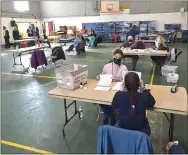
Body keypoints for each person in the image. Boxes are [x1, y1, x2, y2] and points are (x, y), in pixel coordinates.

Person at [98, 49, 128, 124]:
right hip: (106, 88)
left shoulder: (124, 68)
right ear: (113, 56)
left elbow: (125, 81)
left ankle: (108, 117)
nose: (117, 59)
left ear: (122, 58)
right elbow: (103, 76)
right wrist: (99, 77)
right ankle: (110, 116)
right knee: (101, 101)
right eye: (116, 57)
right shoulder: (106, 66)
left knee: (115, 102)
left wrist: (118, 79)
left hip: (118, 90)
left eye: (119, 58)